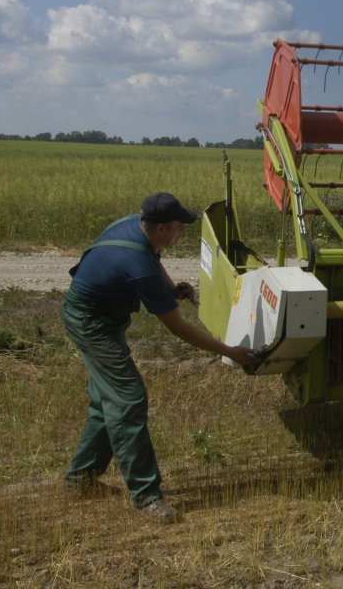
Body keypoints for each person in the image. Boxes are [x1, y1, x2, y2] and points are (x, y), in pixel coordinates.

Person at [62, 192, 255, 523]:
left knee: (107, 401)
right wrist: (230, 351)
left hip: (99, 315)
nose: (183, 231)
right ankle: (147, 496)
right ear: (162, 228)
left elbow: (153, 259)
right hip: (90, 322)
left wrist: (171, 288)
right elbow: (179, 329)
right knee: (128, 399)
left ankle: (80, 481)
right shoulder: (137, 265)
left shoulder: (136, 227)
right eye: (179, 226)